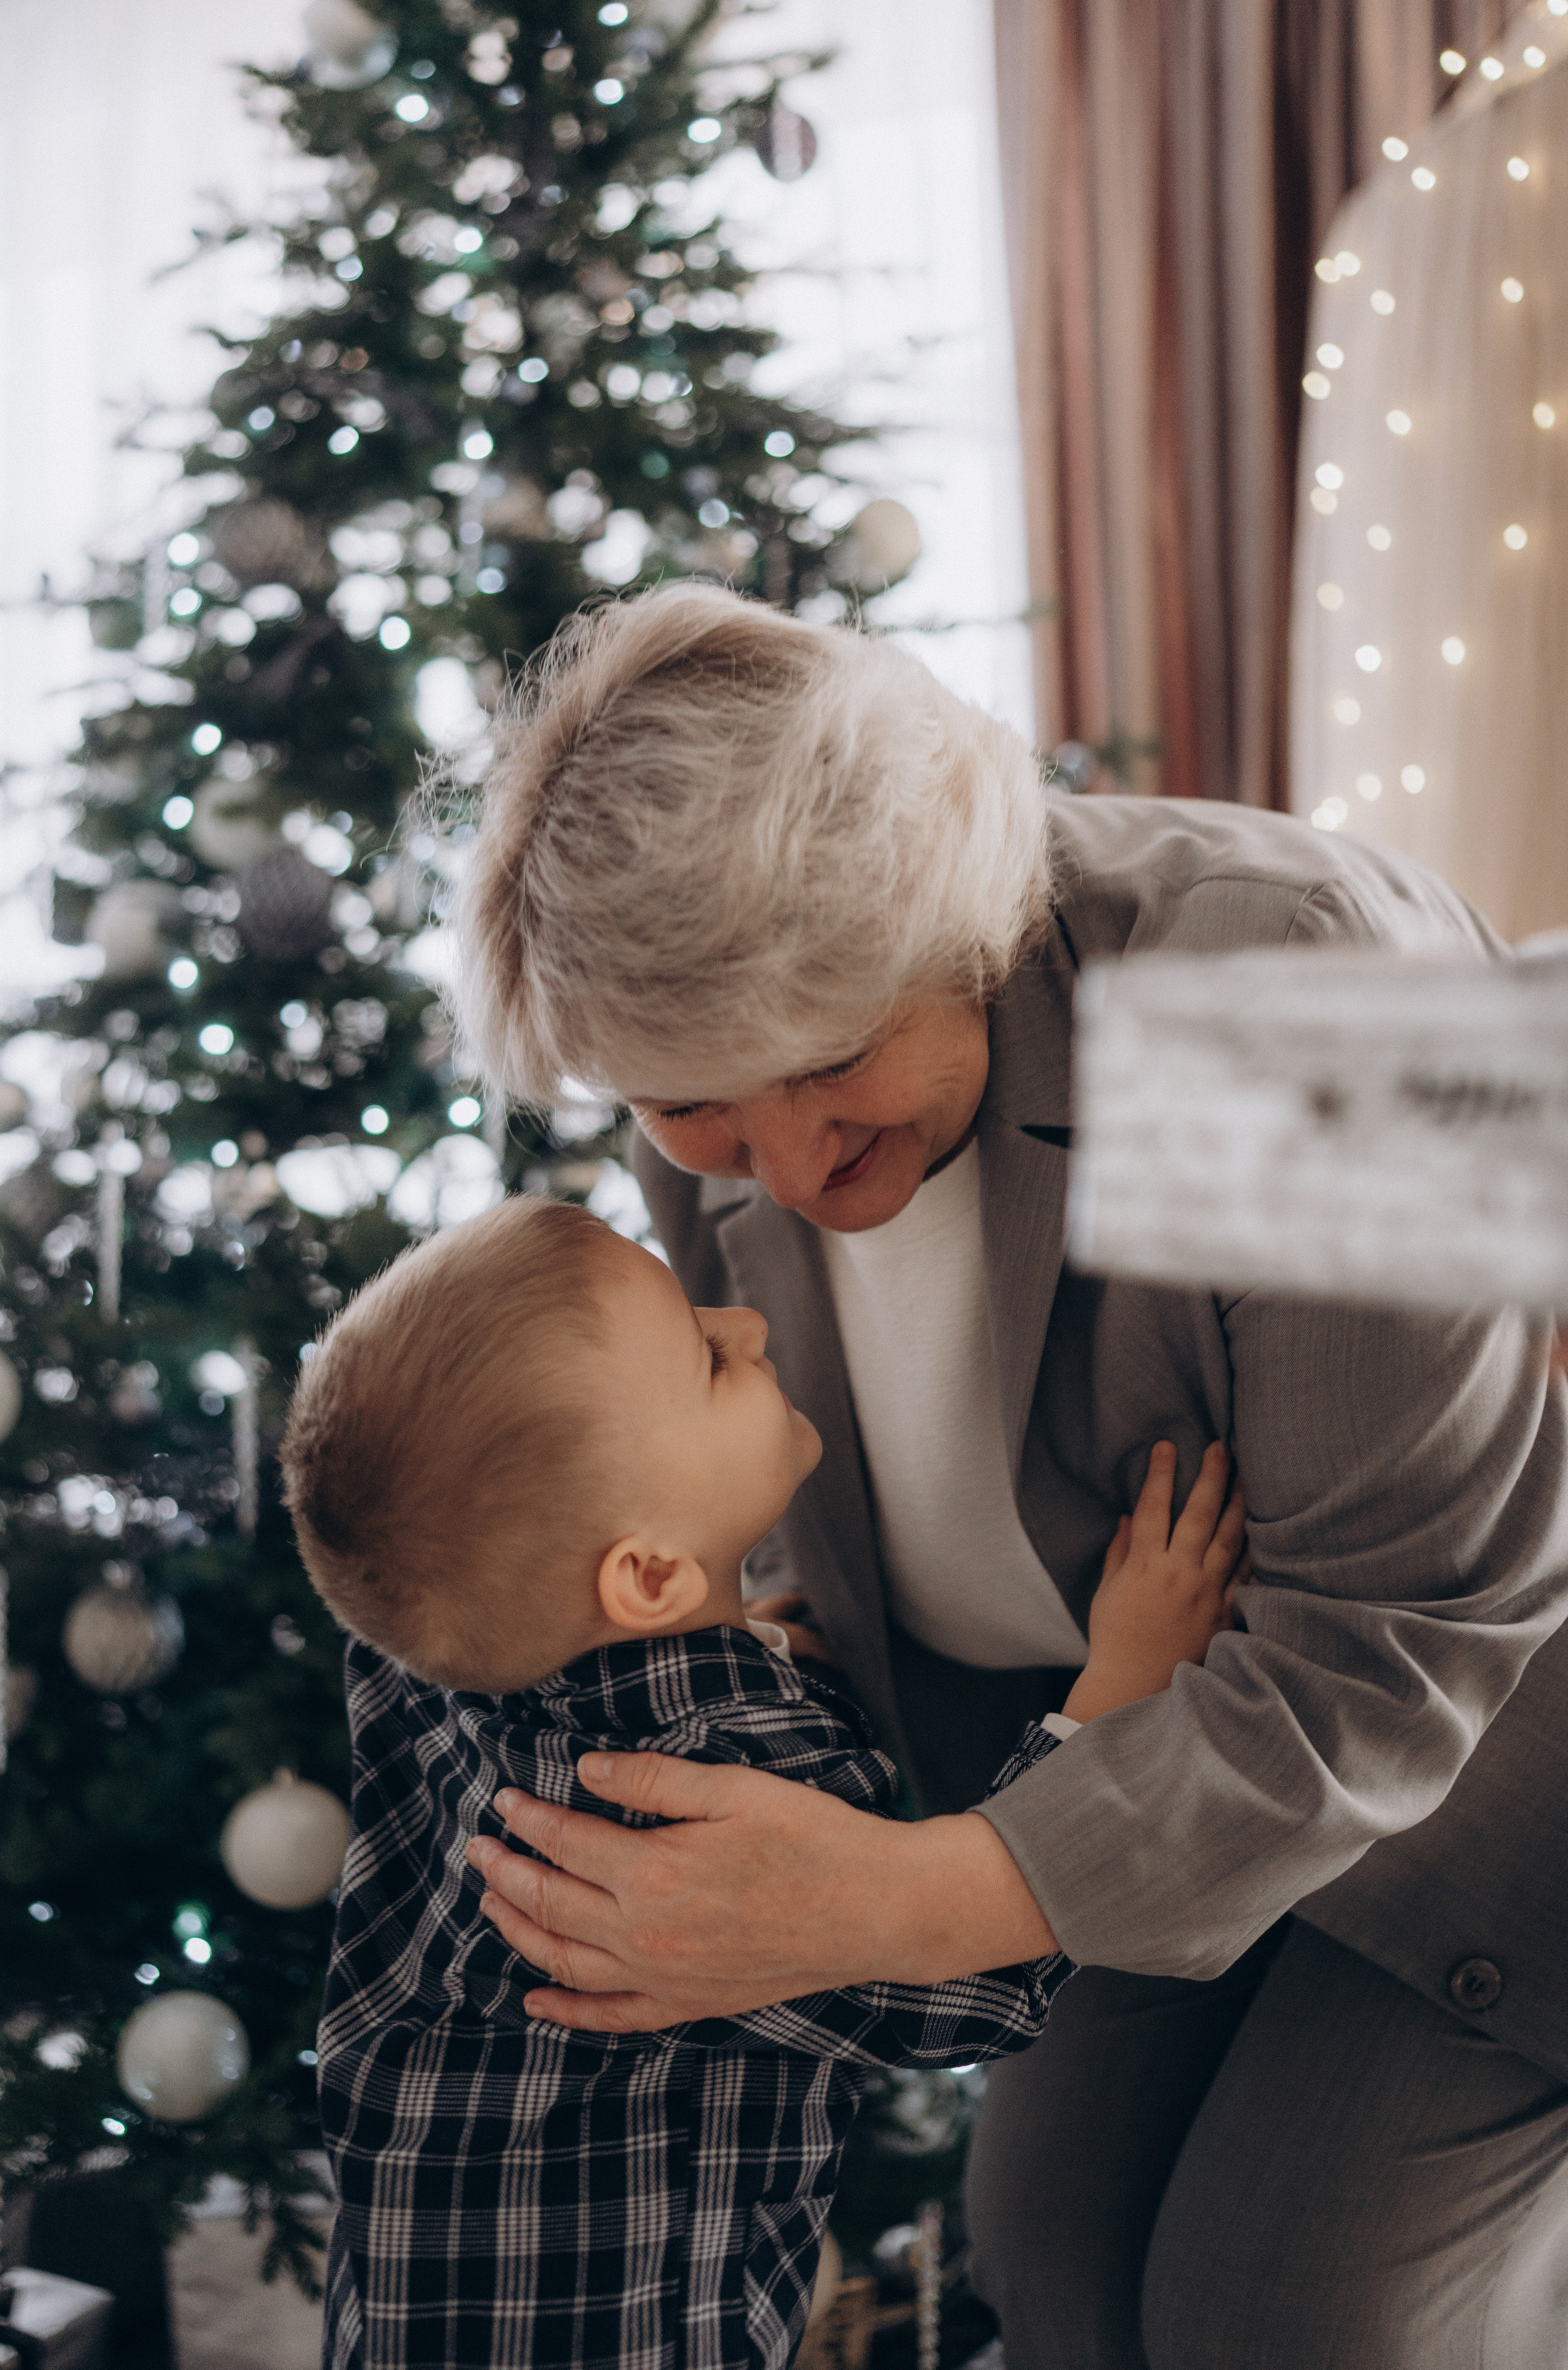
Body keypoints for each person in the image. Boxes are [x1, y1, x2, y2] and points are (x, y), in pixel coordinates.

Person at [454, 584, 1568, 2370]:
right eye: (697, 1110)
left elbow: (1400, 1640)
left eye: (834, 1063)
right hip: (1152, 1765)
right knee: (1042, 2249)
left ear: (965, 925)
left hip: (1487, 1783)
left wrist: (889, 1902)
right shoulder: (709, 1073)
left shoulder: (1271, 986)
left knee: (1279, 2316)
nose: (795, 1167)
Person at [281, 1191, 1247, 2369]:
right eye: (702, 1357)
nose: (744, 1321)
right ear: (645, 1577)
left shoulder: (437, 1662)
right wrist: (1124, 1684)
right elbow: (966, 1992)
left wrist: (752, 1643)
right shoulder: (713, 1781)